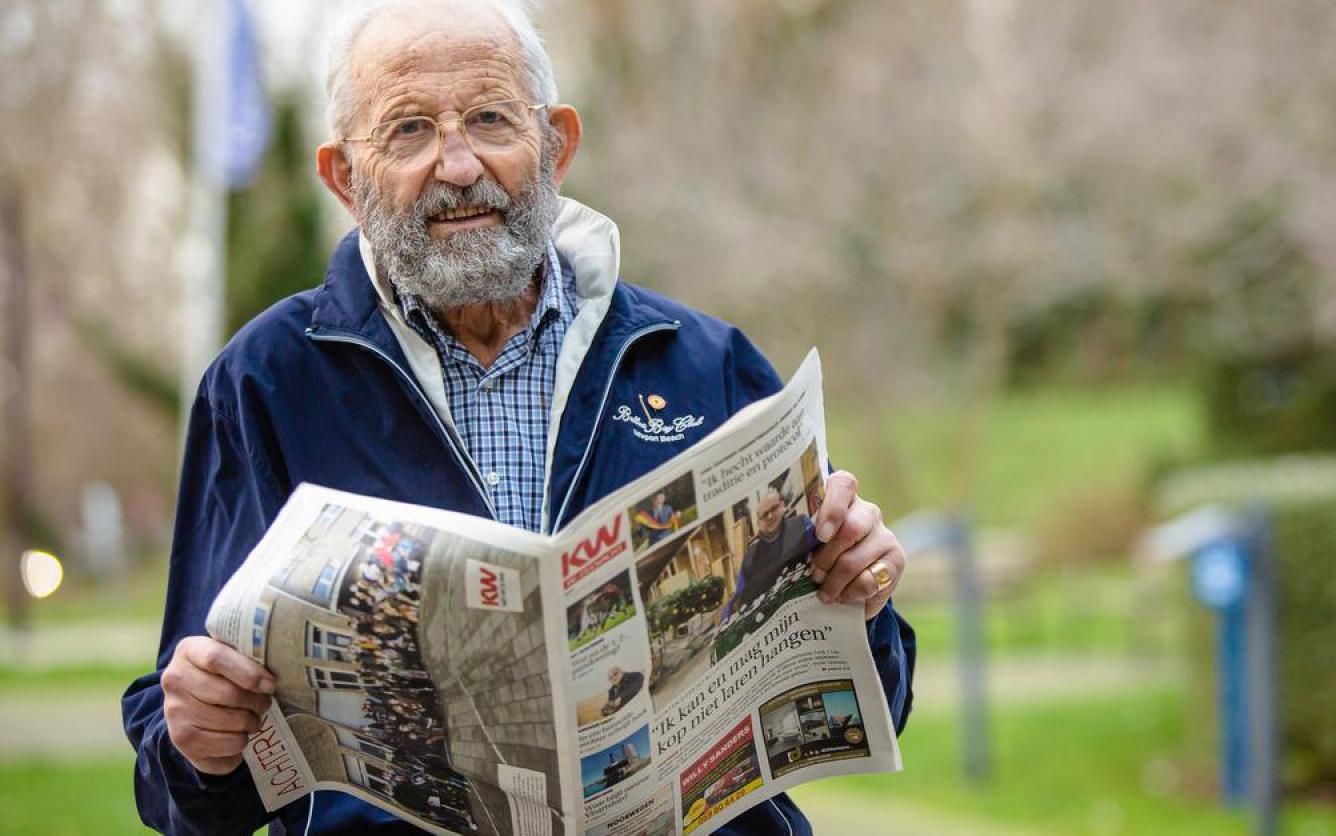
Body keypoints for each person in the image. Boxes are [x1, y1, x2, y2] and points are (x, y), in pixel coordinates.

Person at [119, 1, 913, 834]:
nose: (458, 165)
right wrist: (193, 745)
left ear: (557, 146)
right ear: (344, 180)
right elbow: (184, 786)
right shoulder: (265, 383)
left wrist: (864, 598)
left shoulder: (702, 363)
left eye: (491, 119)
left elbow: (875, 703)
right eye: (408, 130)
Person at [722, 490, 815, 620]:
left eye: (774, 508)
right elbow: (739, 595)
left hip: (809, 605)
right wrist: (727, 616)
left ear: (783, 506)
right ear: (759, 523)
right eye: (765, 515)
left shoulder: (802, 524)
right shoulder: (750, 557)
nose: (770, 516)